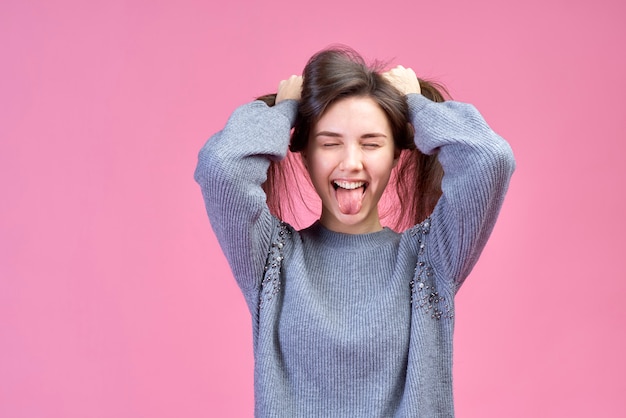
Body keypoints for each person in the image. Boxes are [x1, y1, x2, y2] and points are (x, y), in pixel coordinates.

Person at [194, 46, 515, 417]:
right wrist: (283, 113)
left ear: (397, 152)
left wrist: (415, 104)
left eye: (371, 143)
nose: (351, 163)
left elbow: (491, 160)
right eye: (330, 143)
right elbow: (221, 168)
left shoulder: (431, 259)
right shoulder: (270, 261)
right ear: (304, 152)